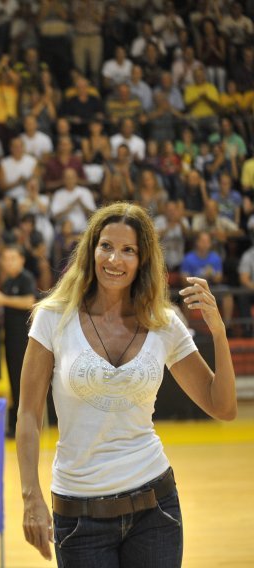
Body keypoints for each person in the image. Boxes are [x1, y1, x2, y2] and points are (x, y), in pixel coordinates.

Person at [17, 202, 237, 566]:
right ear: (91, 250)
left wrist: (218, 331)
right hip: (77, 515)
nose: (114, 259)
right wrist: (31, 496)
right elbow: (27, 413)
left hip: (155, 508)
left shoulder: (163, 322)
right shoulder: (53, 317)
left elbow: (223, 407)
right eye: (106, 246)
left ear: (143, 260)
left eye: (128, 250)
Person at [0, 245, 38, 438]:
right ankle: (16, 422)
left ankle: (28, 422)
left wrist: (3, 300)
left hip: (25, 338)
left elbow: (30, 301)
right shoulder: (7, 282)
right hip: (10, 338)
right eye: (6, 259)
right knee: (14, 380)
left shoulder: (26, 278)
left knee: (23, 380)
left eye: (13, 258)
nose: (9, 262)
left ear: (22, 259)